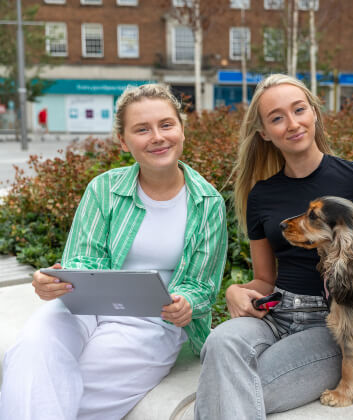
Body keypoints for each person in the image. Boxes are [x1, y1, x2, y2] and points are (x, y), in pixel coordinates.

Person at [0, 84, 228, 420]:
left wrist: (187, 304)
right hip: (85, 307)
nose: (157, 137)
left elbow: (203, 286)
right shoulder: (103, 188)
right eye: (141, 129)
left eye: (166, 125)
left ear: (182, 129)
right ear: (123, 141)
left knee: (76, 381)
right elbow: (81, 262)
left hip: (155, 320)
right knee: (34, 345)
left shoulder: (207, 203)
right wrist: (51, 281)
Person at [194, 74, 353, 419]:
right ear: (264, 132)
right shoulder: (261, 195)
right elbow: (264, 280)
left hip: (333, 322)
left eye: (299, 110)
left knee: (238, 389)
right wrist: (236, 290)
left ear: (314, 112)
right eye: (277, 117)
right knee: (219, 342)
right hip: (274, 314)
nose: (292, 123)